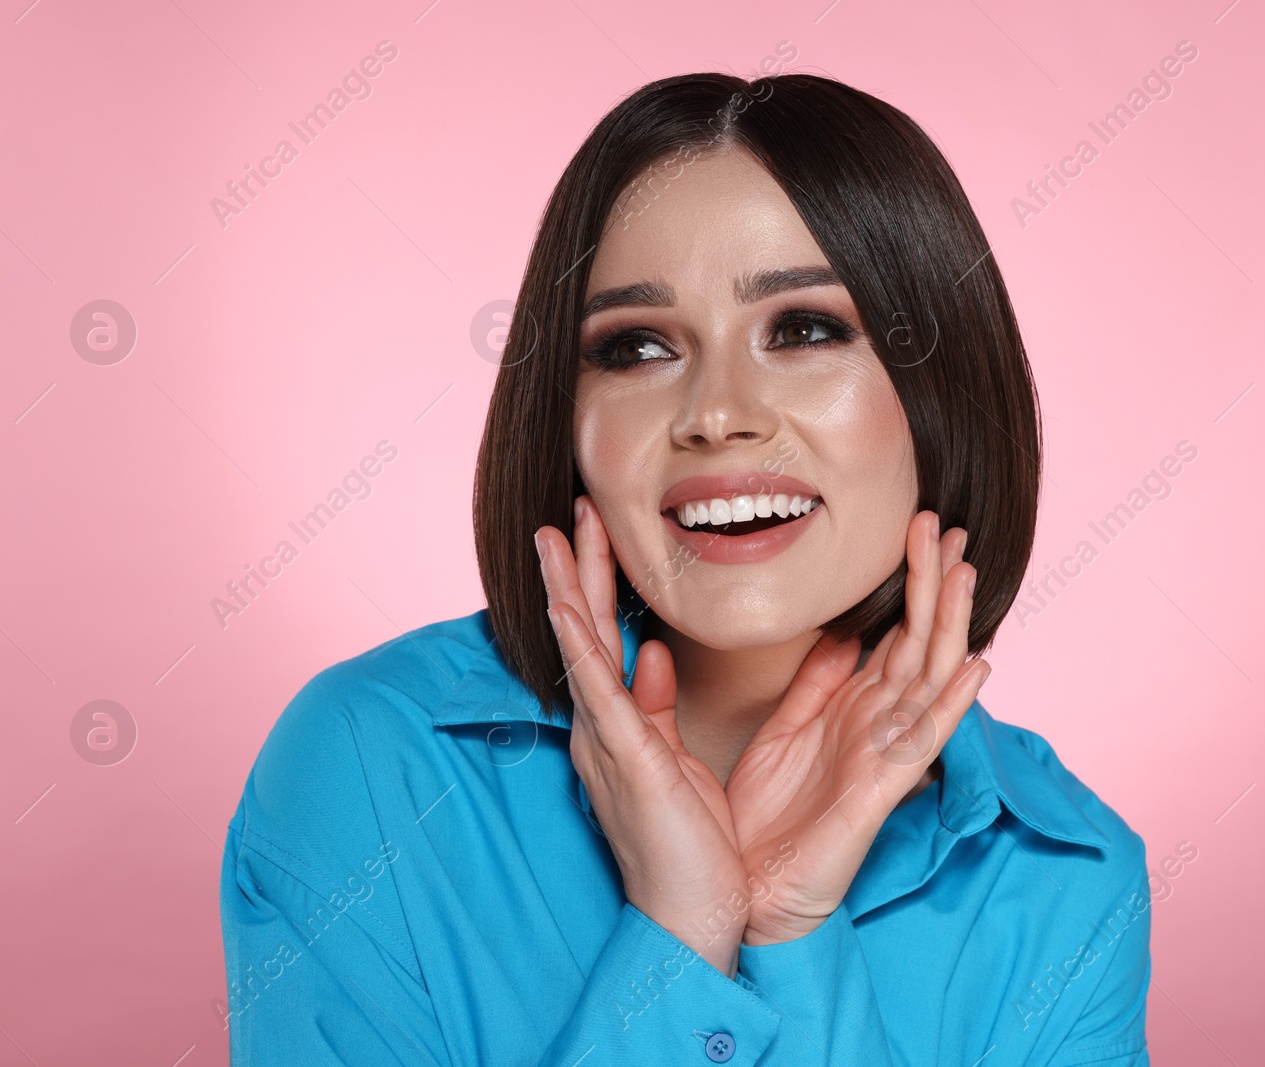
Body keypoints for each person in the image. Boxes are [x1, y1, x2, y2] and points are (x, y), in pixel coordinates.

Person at [220, 70, 1152, 1066]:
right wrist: (680, 931)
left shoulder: (1070, 881)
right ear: (565, 421)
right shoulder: (372, 770)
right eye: (636, 346)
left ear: (941, 391)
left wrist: (789, 926)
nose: (717, 411)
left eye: (804, 329)